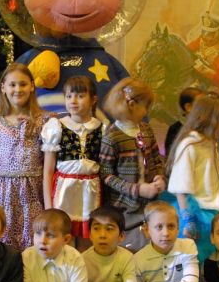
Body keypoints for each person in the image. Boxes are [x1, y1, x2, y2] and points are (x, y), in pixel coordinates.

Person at [0, 64, 56, 251]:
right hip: (2, 191)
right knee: (3, 239)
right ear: (3, 88)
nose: (18, 89)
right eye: (12, 85)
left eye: (23, 84)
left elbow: (49, 168)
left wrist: (48, 205)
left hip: (32, 191)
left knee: (32, 238)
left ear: (32, 86)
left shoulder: (44, 121)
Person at [166, 91, 219, 259]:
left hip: (213, 206)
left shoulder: (209, 143)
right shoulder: (190, 144)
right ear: (211, 120)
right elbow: (180, 186)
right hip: (196, 212)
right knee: (197, 257)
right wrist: (188, 221)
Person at [99, 78, 166, 250]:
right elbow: (106, 175)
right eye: (146, 106)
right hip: (124, 209)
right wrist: (137, 189)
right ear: (131, 104)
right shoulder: (112, 137)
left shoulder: (147, 130)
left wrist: (159, 177)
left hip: (149, 206)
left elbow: (157, 160)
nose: (148, 111)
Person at [42, 76, 103, 251]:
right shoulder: (57, 127)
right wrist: (49, 207)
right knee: (63, 238)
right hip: (64, 191)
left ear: (93, 99)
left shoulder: (102, 128)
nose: (73, 101)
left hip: (91, 191)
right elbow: (48, 171)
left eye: (80, 96)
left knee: (88, 239)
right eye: (69, 96)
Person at [163, 86, 202, 154]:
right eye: (200, 105)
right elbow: (171, 153)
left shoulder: (205, 126)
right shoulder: (175, 129)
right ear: (188, 107)